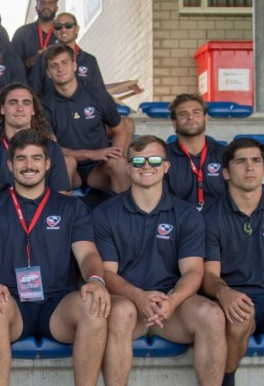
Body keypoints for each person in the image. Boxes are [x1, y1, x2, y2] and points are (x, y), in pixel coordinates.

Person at [0, 129, 111, 386]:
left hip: (59, 303)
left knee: (93, 306)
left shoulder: (72, 207)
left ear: (48, 164)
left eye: (36, 158)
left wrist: (95, 279)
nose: (29, 165)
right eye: (21, 158)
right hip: (11, 300)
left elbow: (88, 254)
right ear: (10, 164)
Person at [93, 135, 227, 386]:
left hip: (171, 308)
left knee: (212, 314)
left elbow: (193, 271)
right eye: (138, 161)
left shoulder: (187, 214)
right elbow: (107, 274)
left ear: (166, 166)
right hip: (129, 304)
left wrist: (173, 301)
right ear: (127, 166)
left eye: (154, 160)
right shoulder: (104, 214)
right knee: (120, 312)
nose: (146, 166)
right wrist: (139, 297)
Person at [201, 138, 264, 386]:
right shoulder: (210, 216)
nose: (250, 167)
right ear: (227, 173)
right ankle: (226, 379)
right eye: (241, 162)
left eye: (256, 161)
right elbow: (208, 275)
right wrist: (225, 293)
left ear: (263, 168)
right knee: (240, 315)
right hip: (232, 299)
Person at [41, 44, 128, 193]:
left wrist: (115, 154)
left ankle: (125, 215)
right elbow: (52, 149)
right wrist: (90, 154)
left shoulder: (97, 95)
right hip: (72, 169)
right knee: (66, 162)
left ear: (74, 65)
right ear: (48, 73)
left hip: (100, 168)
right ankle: (61, 215)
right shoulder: (44, 106)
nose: (60, 69)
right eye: (54, 66)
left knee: (119, 163)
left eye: (64, 62)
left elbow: (120, 130)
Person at [0, 83, 71, 206]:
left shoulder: (52, 148)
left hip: (44, 220)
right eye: (13, 103)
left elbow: (60, 202)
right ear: (2, 108)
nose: (20, 108)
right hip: (1, 221)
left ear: (33, 110)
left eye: (26, 103)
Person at [165, 93, 226, 210]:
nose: (190, 117)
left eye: (196, 112)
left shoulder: (224, 154)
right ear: (174, 123)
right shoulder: (164, 156)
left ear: (205, 119)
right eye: (183, 114)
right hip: (178, 224)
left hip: (218, 224)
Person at [28, 12, 104, 97]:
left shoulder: (89, 60)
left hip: (84, 109)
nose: (63, 29)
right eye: (58, 26)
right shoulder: (44, 58)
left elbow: (99, 93)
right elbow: (33, 92)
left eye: (68, 25)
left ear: (77, 29)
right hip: (53, 109)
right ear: (54, 31)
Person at [11, 0, 60, 75]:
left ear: (56, 8)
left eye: (50, 3)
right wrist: (30, 62)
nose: (46, 7)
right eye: (42, 3)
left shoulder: (62, 32)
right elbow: (12, 67)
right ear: (36, 7)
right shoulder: (22, 33)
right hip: (28, 86)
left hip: (56, 86)